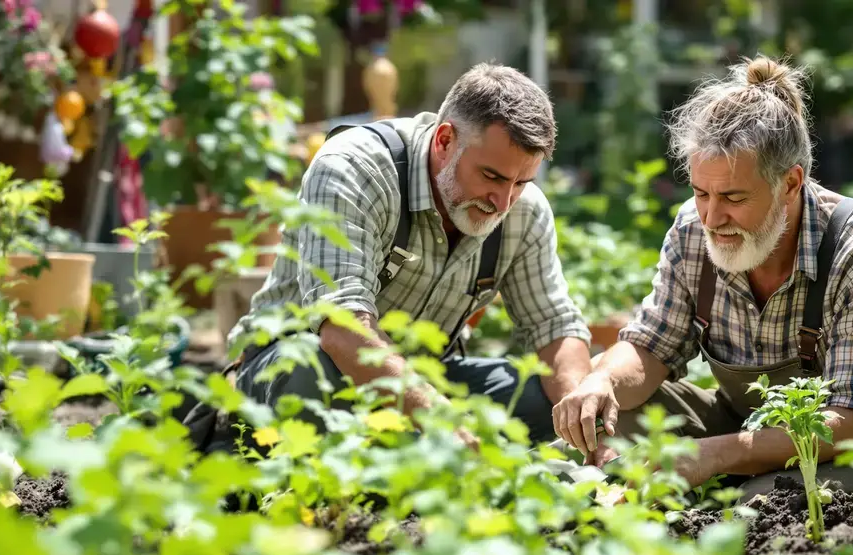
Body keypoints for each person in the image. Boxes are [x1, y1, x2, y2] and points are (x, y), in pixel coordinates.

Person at [551, 55, 853, 498]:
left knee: (769, 498)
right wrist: (603, 381)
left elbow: (849, 426)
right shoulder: (693, 230)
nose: (712, 218)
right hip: (739, 424)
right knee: (613, 417)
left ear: (790, 184)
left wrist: (712, 456)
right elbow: (652, 345)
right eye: (701, 193)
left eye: (733, 197)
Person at [223, 63, 593, 444]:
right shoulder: (355, 168)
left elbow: (554, 326)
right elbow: (342, 329)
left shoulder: (524, 211)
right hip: (303, 364)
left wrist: (579, 411)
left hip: (422, 382)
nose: (503, 202)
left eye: (521, 182)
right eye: (492, 177)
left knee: (542, 397)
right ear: (445, 141)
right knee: (309, 373)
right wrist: (440, 421)